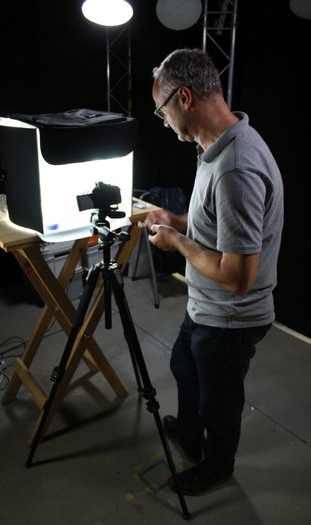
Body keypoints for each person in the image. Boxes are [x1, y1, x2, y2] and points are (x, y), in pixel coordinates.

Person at [146, 48, 284, 495]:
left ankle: (217, 467)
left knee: (219, 403)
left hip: (231, 316)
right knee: (183, 365)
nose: (163, 121)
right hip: (208, 305)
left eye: (162, 110)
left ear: (184, 98)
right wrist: (177, 221)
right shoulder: (214, 148)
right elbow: (215, 225)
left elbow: (238, 276)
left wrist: (174, 243)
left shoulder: (236, 167)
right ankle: (190, 439)